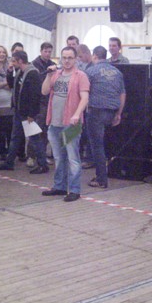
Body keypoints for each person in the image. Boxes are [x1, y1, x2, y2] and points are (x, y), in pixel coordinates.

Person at [41, 46, 90, 202]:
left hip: (71, 125)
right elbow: (44, 91)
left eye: (70, 58)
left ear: (75, 59)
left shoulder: (80, 76)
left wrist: (77, 114)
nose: (67, 61)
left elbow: (85, 98)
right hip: (54, 123)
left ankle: (74, 190)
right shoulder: (56, 74)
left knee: (72, 158)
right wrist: (48, 75)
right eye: (64, 57)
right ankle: (60, 186)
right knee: (59, 157)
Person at [0, 50, 48, 174]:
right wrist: (9, 72)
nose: (12, 63)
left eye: (14, 61)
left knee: (34, 138)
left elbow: (35, 95)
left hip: (27, 114)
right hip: (19, 111)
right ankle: (9, 162)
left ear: (20, 61)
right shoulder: (20, 72)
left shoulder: (32, 73)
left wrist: (31, 114)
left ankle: (43, 164)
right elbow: (11, 85)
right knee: (15, 137)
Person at [85, 46, 125, 188]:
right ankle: (110, 172)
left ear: (94, 56)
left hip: (96, 112)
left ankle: (101, 179)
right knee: (107, 144)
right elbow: (122, 94)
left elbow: (83, 92)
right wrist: (118, 113)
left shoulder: (90, 71)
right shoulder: (117, 72)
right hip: (112, 112)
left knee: (97, 146)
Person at [29, 42, 56, 168]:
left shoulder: (53, 65)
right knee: (35, 130)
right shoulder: (34, 65)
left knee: (45, 130)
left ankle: (43, 154)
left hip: (49, 101)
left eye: (50, 51)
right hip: (37, 101)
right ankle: (31, 155)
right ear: (41, 51)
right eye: (45, 51)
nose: (47, 54)